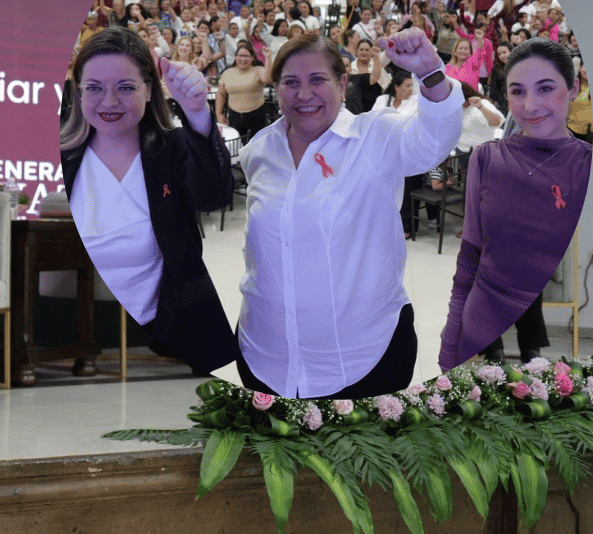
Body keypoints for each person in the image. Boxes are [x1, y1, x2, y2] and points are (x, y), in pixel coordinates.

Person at [238, 30, 462, 399]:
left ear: (342, 83)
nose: (304, 94)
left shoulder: (374, 136)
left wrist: (430, 71)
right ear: (275, 88)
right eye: (290, 82)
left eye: (317, 79)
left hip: (364, 362)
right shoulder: (260, 150)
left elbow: (434, 140)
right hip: (266, 360)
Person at [60, 27, 239, 374]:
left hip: (173, 331)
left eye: (125, 88)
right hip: (77, 342)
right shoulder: (62, 159)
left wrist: (198, 114)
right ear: (77, 91)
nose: (109, 102)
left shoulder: (172, 149)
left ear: (148, 89)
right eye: (94, 88)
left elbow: (213, 196)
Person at [439, 39, 593, 370]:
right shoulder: (491, 156)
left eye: (545, 88)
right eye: (518, 91)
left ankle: (521, 350)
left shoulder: (580, 160)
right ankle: (510, 348)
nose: (530, 104)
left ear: (572, 89)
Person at [215, 42, 269, 144]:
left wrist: (268, 58)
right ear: (235, 57)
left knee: (257, 146)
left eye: (247, 56)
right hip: (234, 115)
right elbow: (221, 94)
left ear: (253, 58)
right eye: (240, 55)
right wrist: (219, 113)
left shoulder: (258, 70)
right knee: (237, 145)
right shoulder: (227, 73)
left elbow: (268, 79)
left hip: (256, 114)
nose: (243, 59)